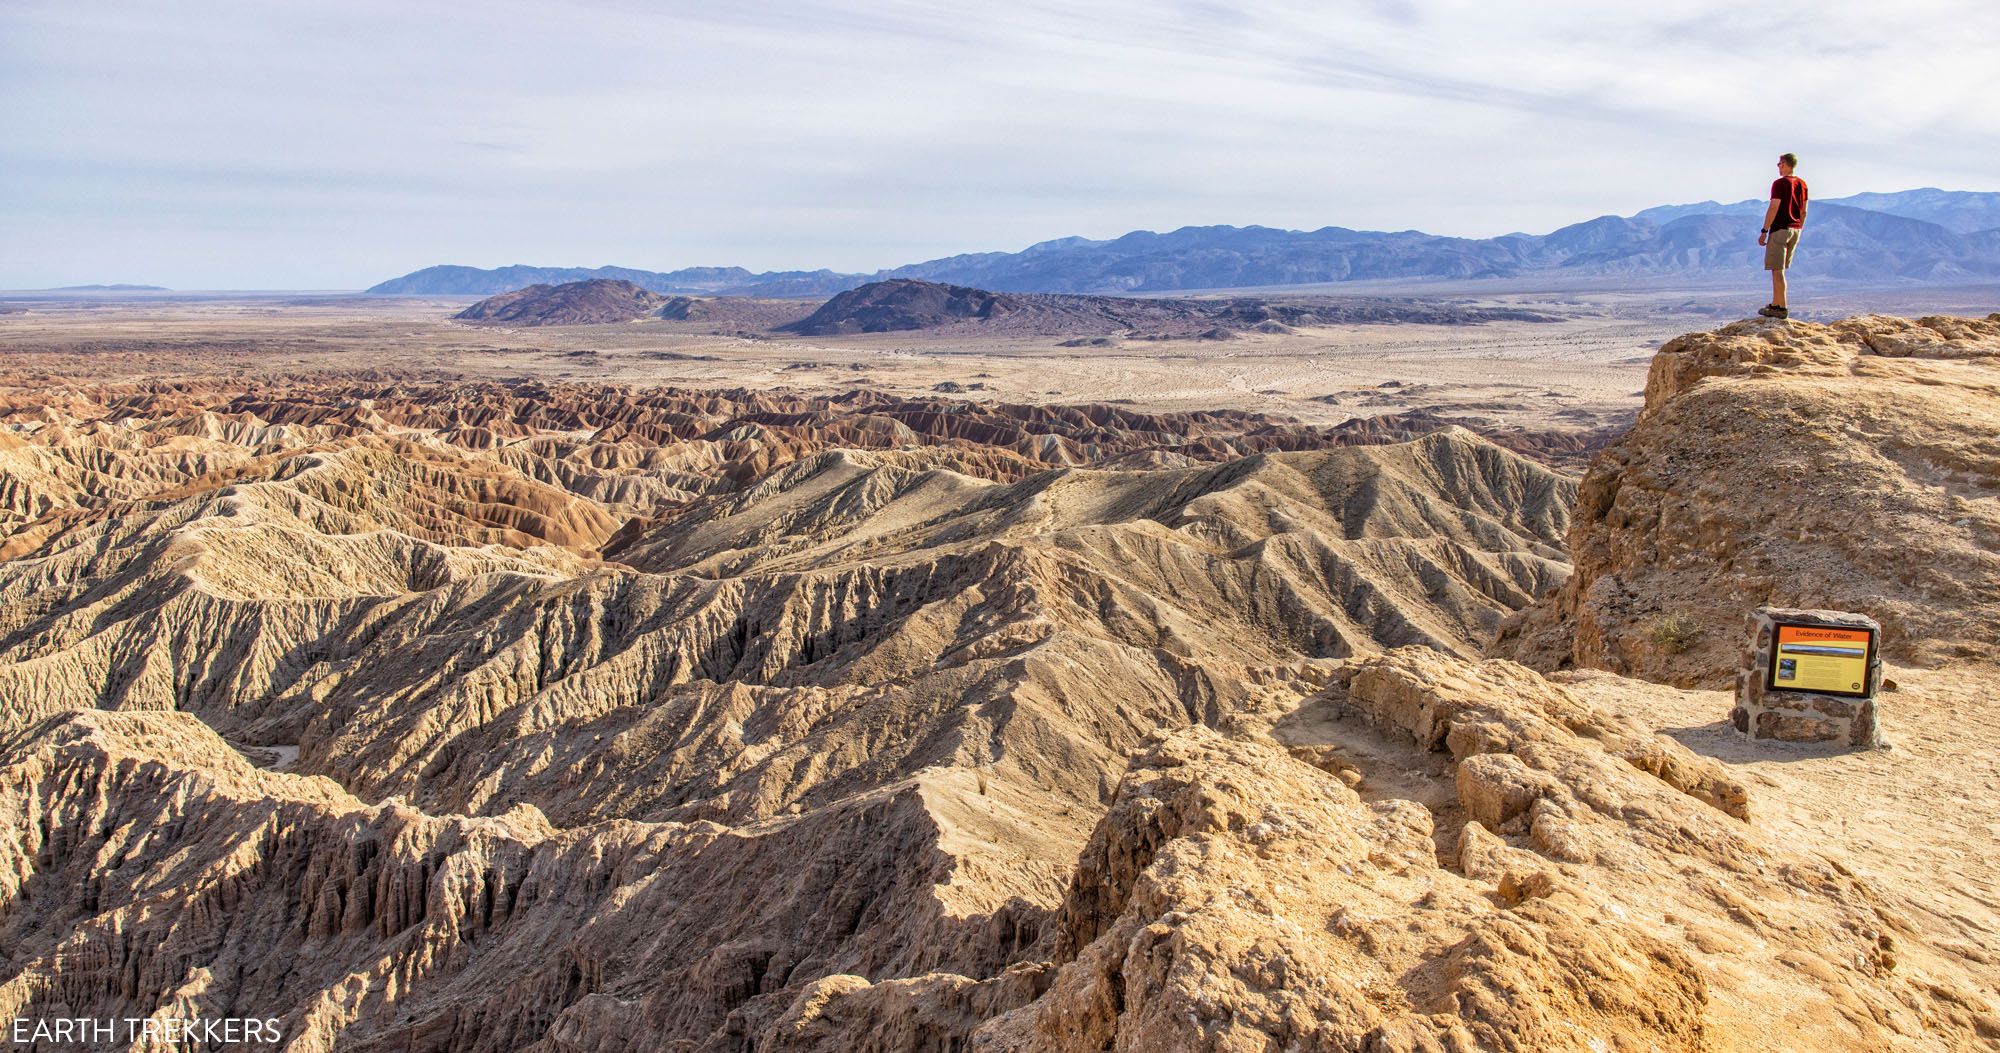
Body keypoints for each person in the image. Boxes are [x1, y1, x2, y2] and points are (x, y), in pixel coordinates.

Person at [1757, 153, 1808, 318]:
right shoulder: (1802, 184)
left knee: (1776, 270)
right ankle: (1776, 303)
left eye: (1779, 163)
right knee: (1780, 269)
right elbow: (1804, 211)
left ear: (1786, 164)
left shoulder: (1779, 184)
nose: (1778, 166)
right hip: (1795, 229)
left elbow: (1774, 208)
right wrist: (1799, 228)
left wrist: (1764, 230)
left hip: (1780, 229)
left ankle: (1781, 307)